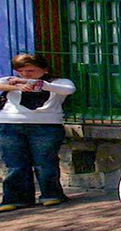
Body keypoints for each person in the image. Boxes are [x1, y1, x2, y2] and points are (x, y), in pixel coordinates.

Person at [0, 54, 76, 212]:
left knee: (45, 162)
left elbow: (68, 89)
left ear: (44, 69)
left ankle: (51, 195)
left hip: (45, 126)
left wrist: (40, 85)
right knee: (15, 164)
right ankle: (16, 198)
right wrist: (17, 86)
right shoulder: (11, 81)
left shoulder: (58, 83)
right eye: (20, 71)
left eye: (31, 71)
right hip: (11, 125)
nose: (25, 75)